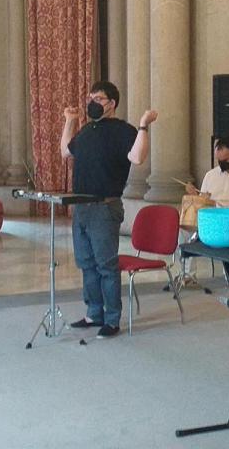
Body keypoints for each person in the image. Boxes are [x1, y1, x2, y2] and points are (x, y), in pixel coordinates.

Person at [60, 81, 156, 339]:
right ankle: (94, 313)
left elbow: (137, 158)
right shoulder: (87, 130)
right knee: (86, 263)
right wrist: (69, 121)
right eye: (91, 97)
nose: (93, 102)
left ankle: (112, 319)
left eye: (99, 98)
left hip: (105, 207)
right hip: (80, 207)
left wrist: (144, 126)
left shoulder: (123, 130)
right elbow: (65, 152)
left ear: (112, 103)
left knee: (105, 265)